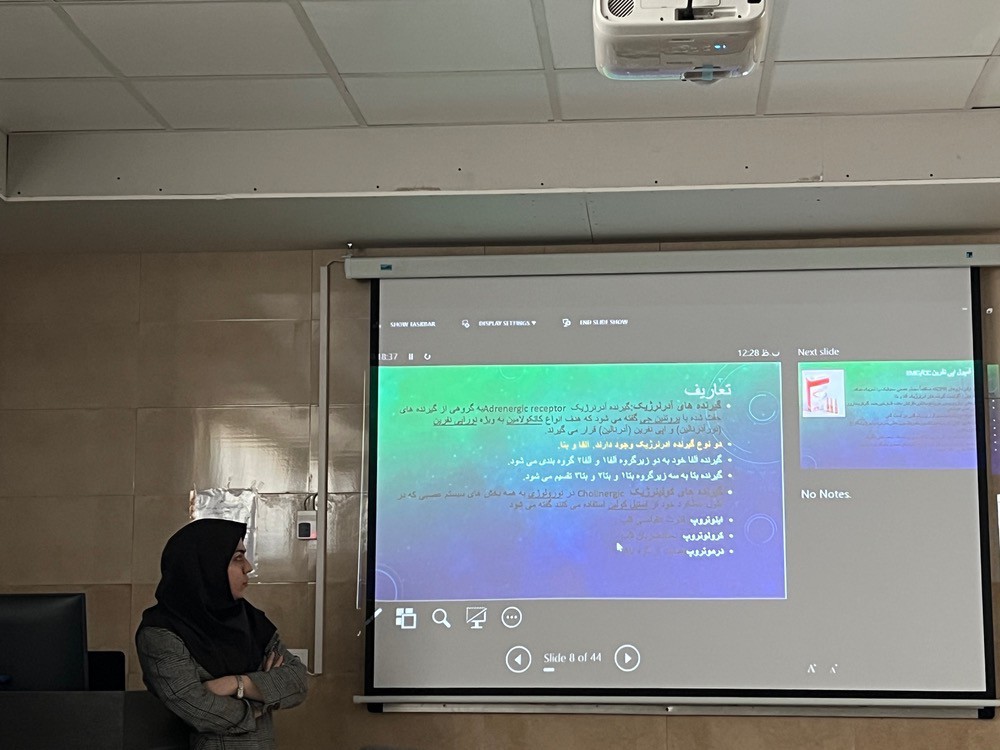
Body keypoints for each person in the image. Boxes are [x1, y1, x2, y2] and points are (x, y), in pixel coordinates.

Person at [136, 518, 308, 749]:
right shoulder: (161, 634)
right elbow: (197, 708)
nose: (248, 567)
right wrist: (261, 702)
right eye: (237, 558)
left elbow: (297, 682)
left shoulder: (251, 621)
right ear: (207, 566)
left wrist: (237, 683)